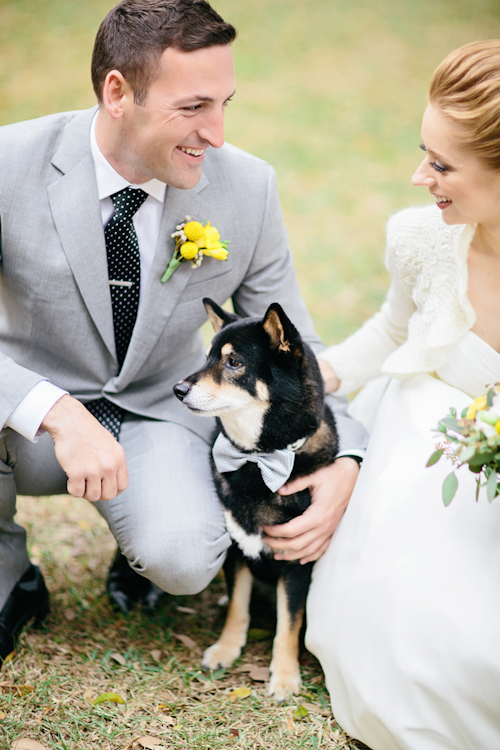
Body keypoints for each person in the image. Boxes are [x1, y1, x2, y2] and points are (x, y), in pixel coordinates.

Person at [0, 0, 368, 662]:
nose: (218, 133)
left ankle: (137, 548)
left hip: (155, 415)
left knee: (184, 559)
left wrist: (344, 457)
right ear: (118, 92)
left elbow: (298, 356)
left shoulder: (248, 189)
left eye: (224, 102)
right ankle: (9, 577)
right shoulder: (7, 164)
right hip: (20, 423)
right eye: (193, 107)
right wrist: (53, 408)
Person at [306, 40, 500, 750]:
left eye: (443, 165)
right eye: (424, 152)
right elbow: (392, 330)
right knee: (424, 637)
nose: (420, 177)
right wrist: (310, 379)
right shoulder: (422, 238)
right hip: (428, 441)